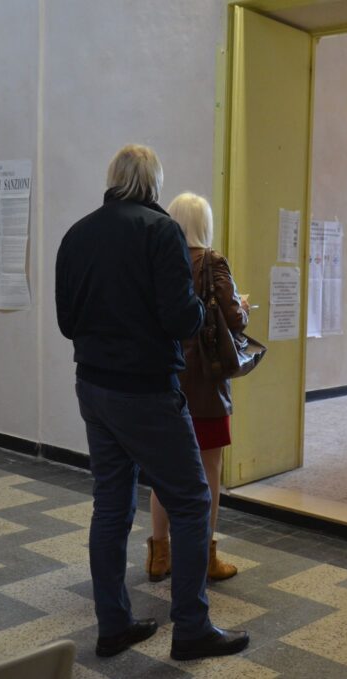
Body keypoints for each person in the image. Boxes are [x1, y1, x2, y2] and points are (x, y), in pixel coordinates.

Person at [55, 145, 249, 661]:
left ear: (113, 179)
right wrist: (197, 311)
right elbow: (182, 319)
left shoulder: (77, 234)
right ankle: (192, 628)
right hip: (146, 390)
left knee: (110, 505)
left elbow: (67, 322)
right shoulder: (161, 231)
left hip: (92, 387)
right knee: (191, 501)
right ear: (154, 183)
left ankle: (113, 625)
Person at [146, 192, 249, 583]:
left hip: (166, 379)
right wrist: (242, 307)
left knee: (163, 470)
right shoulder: (213, 261)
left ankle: (159, 555)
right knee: (209, 468)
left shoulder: (156, 261)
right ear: (205, 223)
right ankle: (205, 556)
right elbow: (233, 318)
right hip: (206, 383)